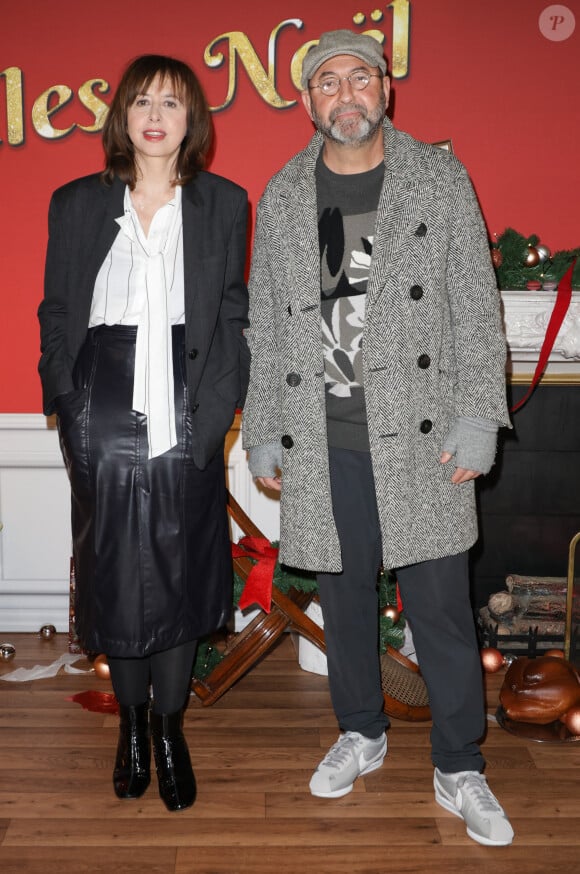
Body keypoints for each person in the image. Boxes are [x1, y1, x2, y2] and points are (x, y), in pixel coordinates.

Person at [242, 30, 514, 846]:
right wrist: (264, 430)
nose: (346, 93)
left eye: (361, 77)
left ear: (386, 90)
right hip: (323, 439)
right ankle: (361, 730)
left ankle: (459, 763)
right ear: (308, 102)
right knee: (344, 601)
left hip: (424, 434)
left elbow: (475, 302)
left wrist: (477, 420)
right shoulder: (286, 192)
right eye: (328, 82)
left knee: (440, 609)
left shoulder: (437, 176)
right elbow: (265, 321)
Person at [38, 54, 249, 812]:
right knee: (113, 569)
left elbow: (230, 317)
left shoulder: (224, 204)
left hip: (189, 390)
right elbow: (57, 311)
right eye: (141, 101)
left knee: (184, 564)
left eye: (171, 101)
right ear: (122, 117)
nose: (155, 113)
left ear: (192, 120)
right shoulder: (77, 203)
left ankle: (170, 728)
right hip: (101, 389)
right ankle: (129, 725)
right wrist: (64, 394)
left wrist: (219, 404)